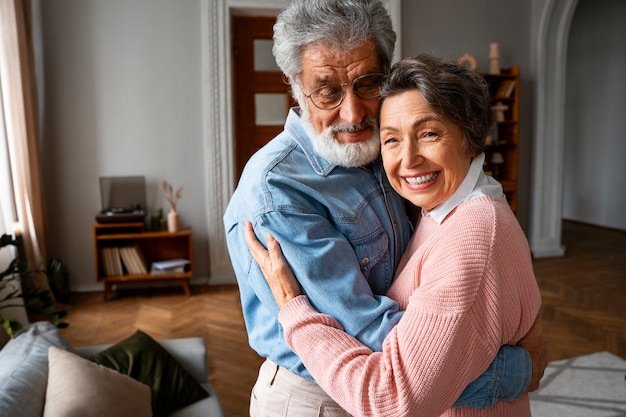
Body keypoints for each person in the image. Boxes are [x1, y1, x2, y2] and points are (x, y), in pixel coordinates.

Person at [223, 1, 545, 415]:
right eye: (327, 91)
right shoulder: (277, 192)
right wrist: (515, 369)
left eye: (368, 84)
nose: (353, 113)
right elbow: (380, 352)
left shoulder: (386, 148)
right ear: (295, 85)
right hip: (317, 398)